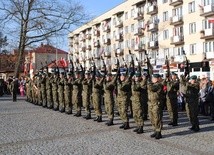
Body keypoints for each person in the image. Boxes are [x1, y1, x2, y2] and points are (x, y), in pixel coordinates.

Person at [148, 74, 163, 139]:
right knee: (152, 118)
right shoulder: (153, 84)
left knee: (157, 118)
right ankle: (155, 130)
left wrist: (149, 82)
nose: (152, 79)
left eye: (153, 78)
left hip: (156, 104)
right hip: (150, 103)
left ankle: (158, 132)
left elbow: (152, 88)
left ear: (157, 79)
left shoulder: (159, 85)